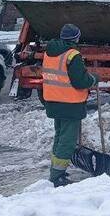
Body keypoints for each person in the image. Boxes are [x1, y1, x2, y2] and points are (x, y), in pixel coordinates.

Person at [40, 23, 96, 187]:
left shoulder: (49, 52)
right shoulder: (72, 55)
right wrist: (93, 79)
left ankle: (55, 170)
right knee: (67, 141)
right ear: (76, 38)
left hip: (53, 101)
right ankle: (57, 177)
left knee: (59, 137)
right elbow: (80, 81)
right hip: (69, 104)